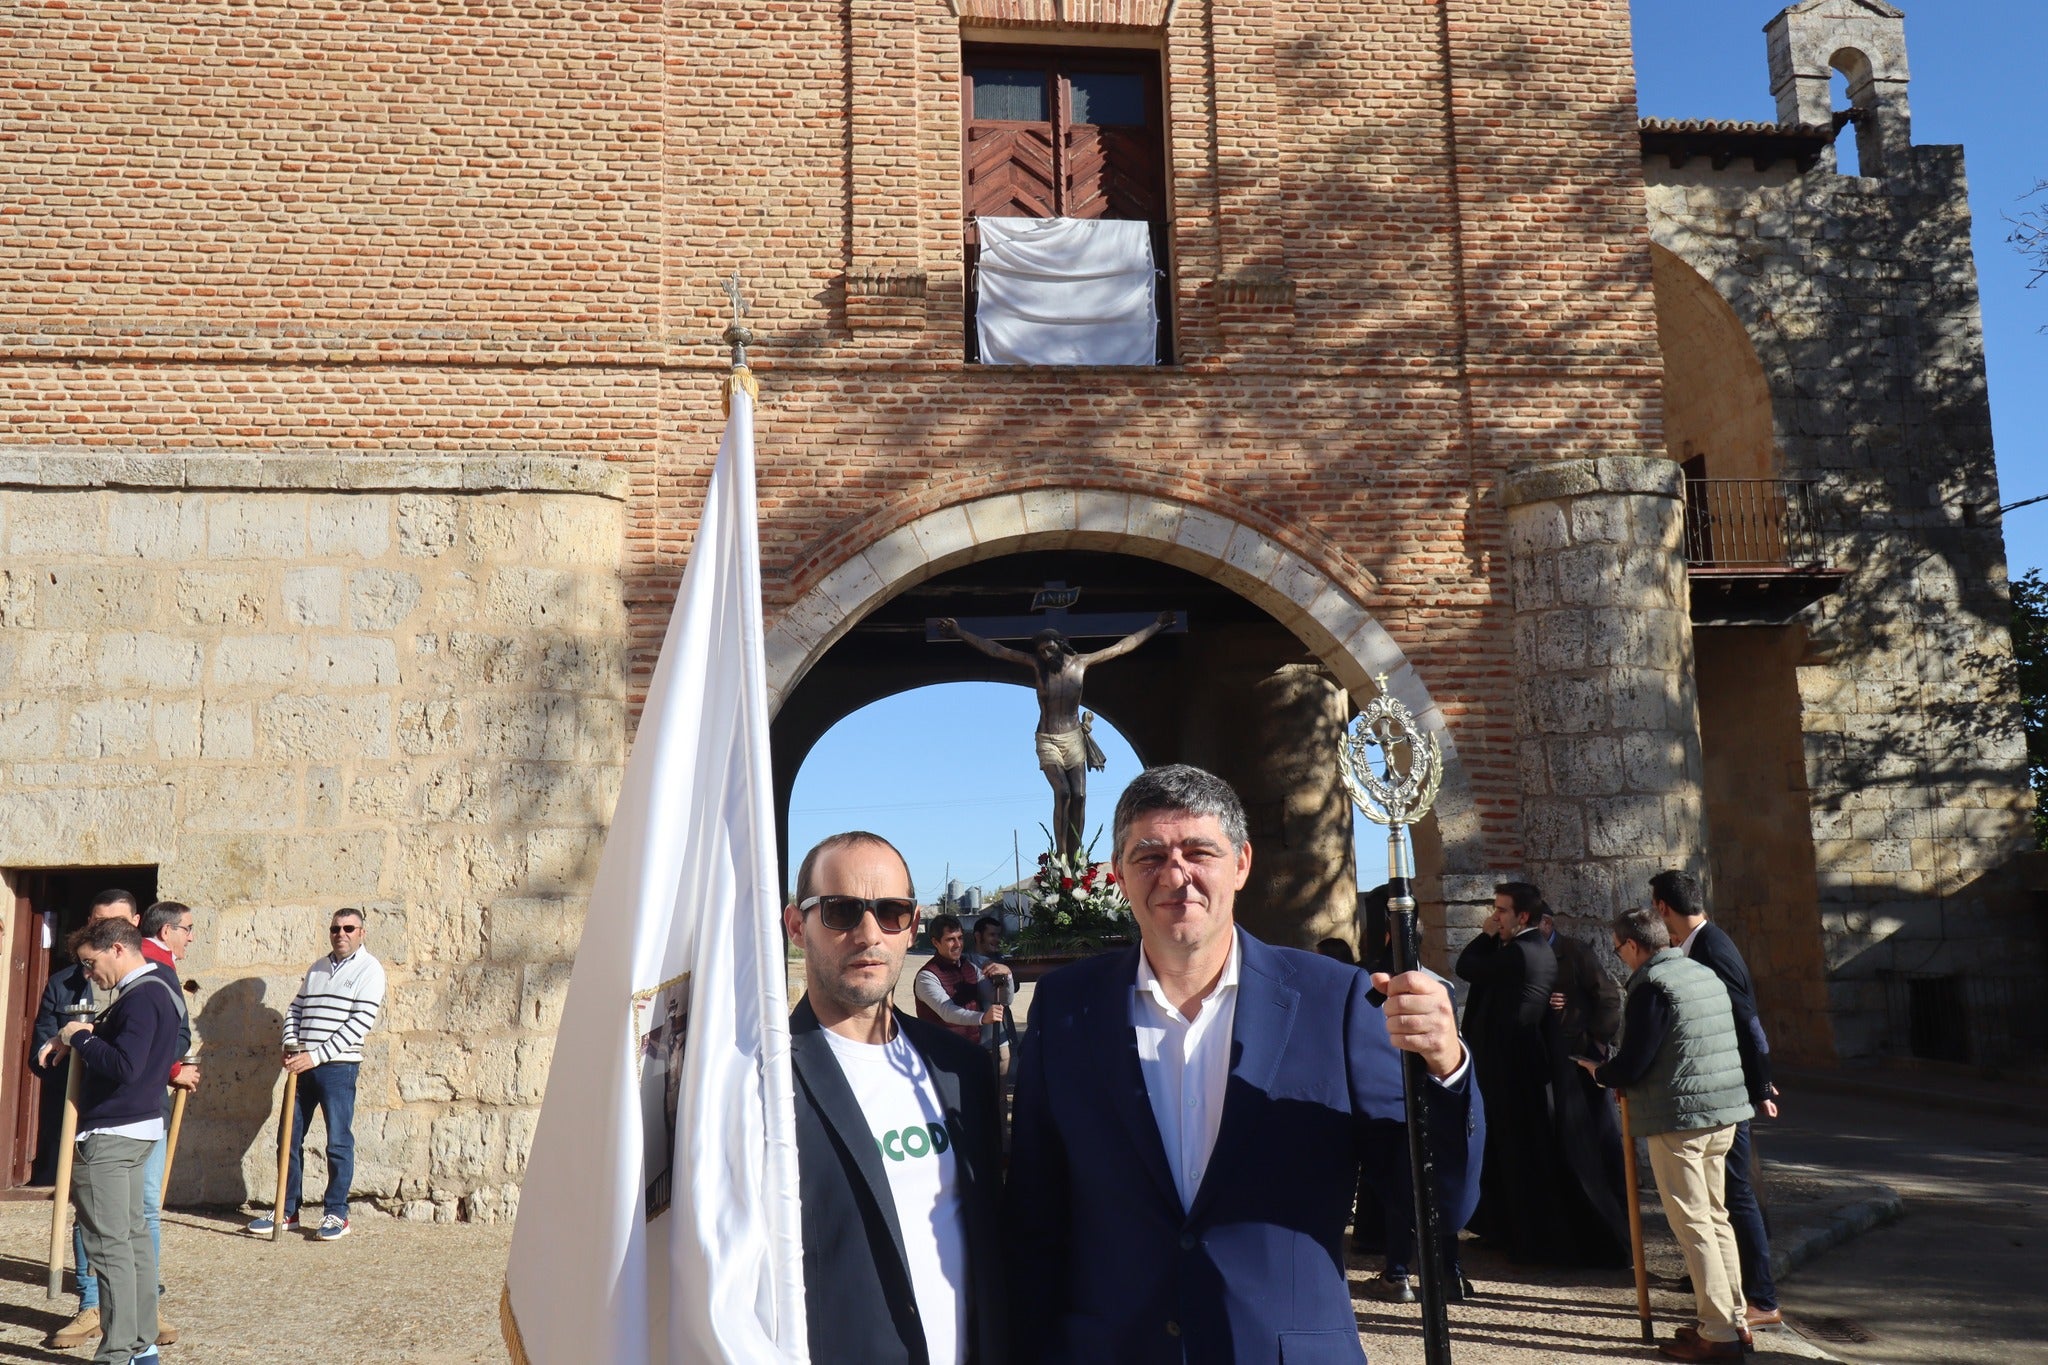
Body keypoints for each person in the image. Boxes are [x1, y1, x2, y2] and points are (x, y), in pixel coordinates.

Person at [1004, 765, 1482, 1364]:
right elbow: (1035, 1209)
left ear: (1241, 864)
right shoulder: (1067, 1006)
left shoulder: (1336, 1002)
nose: (1176, 875)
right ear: (1120, 876)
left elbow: (1432, 1202)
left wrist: (1444, 1066)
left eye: (1199, 850)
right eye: (1149, 855)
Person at [784, 833, 1006, 1364]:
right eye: (840, 911)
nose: (868, 935)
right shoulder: (759, 1083)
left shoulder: (962, 1071)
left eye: (890, 912)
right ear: (797, 927)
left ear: (911, 927)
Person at [1583, 908, 1755, 1361]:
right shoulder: (1700, 973)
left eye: (1619, 950)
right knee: (1715, 1218)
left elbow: (1636, 1061)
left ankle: (1718, 1334)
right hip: (1722, 1112)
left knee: (1694, 1224)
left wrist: (1601, 1073)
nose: (1620, 958)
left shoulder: (1653, 986)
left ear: (1634, 946)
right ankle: (1732, 1319)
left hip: (1681, 1120)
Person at [33, 891, 190, 1353]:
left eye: (90, 961)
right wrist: (84, 1034)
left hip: (114, 1136)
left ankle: (118, 1350)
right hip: (135, 1129)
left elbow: (126, 1065)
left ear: (117, 949)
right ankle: (142, 1345)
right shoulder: (153, 988)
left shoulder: (141, 997)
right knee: (134, 1238)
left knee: (110, 1248)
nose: (88, 974)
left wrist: (80, 1036)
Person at [1456, 883, 1627, 1267]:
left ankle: (1536, 1242)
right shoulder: (1522, 949)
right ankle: (1509, 1231)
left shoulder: (1525, 951)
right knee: (1510, 1158)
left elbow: (1466, 966)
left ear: (1525, 917)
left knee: (1528, 1161)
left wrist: (1483, 935)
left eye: (1501, 910)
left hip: (1522, 1073)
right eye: (1494, 909)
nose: (1494, 917)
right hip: (1513, 1070)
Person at [1651, 870, 1782, 1329]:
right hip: (1727, 1086)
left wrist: (1761, 1084)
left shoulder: (1711, 947)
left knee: (1736, 1194)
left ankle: (1760, 1298)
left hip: (1729, 1088)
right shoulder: (1701, 943)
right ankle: (1732, 1292)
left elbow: (1747, 1019)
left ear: (1662, 908)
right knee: (1725, 1195)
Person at [937, 611, 1174, 859]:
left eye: (1050, 649)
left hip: (1073, 738)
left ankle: (1075, 855)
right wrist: (959, 632)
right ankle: (1061, 857)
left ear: (1061, 645)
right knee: (1062, 792)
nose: (1046, 655)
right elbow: (997, 650)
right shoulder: (1037, 666)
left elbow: (1121, 647)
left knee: (1079, 796)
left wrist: (1156, 625)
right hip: (1048, 738)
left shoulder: (1082, 663)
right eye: (1041, 652)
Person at [248, 907, 386, 1241]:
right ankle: (287, 1209)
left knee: (338, 1141)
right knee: (289, 1138)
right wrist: (292, 1044)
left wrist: (316, 1055)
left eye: (349, 928)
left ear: (361, 932)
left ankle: (336, 1213)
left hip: (338, 1067)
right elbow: (295, 1008)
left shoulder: (371, 970)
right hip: (302, 1065)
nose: (341, 934)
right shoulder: (318, 968)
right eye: (335, 928)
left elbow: (359, 1024)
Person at [915, 913, 1006, 1045]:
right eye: (950, 939)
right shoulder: (926, 977)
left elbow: (996, 997)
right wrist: (982, 1017)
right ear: (935, 942)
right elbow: (947, 1011)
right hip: (939, 1053)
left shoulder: (968, 966)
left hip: (971, 1047)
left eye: (960, 938)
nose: (958, 944)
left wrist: (1007, 976)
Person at [965, 915, 1018, 1055]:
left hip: (1002, 1028)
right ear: (978, 936)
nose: (997, 939)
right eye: (992, 935)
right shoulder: (966, 962)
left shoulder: (1002, 960)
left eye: (998, 935)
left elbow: (1014, 988)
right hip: (980, 1031)